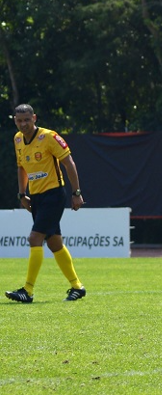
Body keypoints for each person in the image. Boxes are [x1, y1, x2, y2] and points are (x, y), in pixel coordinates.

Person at [5, 104, 87, 303]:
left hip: (53, 195)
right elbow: (21, 168)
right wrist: (22, 195)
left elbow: (69, 163)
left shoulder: (49, 137)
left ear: (34, 118)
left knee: (34, 238)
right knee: (54, 242)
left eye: (27, 119)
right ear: (14, 121)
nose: (23, 124)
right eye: (19, 120)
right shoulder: (17, 139)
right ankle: (77, 286)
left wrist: (76, 193)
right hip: (37, 197)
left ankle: (28, 290)